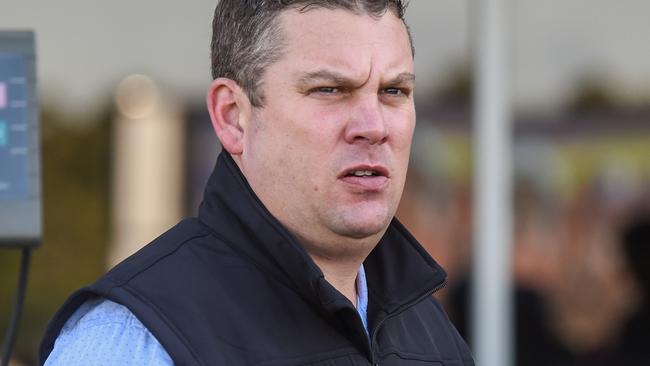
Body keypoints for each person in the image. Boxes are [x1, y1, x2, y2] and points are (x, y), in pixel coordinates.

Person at [40, 1, 475, 365]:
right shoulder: (137, 338)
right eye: (330, 90)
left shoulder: (430, 333)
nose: (374, 126)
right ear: (233, 116)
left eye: (393, 92)